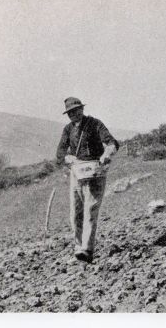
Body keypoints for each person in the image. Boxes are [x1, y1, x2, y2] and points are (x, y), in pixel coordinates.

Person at [56, 97, 120, 263]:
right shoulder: (68, 129)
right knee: (75, 213)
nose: (73, 114)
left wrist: (107, 154)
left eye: (76, 110)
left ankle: (87, 249)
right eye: (70, 112)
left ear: (82, 110)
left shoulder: (95, 124)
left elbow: (111, 142)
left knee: (90, 210)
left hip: (95, 171)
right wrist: (67, 158)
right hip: (77, 172)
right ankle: (79, 247)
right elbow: (60, 153)